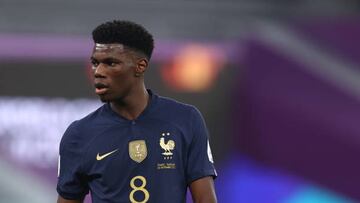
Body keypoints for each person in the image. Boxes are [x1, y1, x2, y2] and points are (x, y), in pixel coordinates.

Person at [56, 20, 217, 203]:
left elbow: (206, 199)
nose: (98, 71)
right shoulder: (79, 134)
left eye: (111, 63)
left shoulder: (186, 120)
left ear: (140, 66)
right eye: (95, 63)